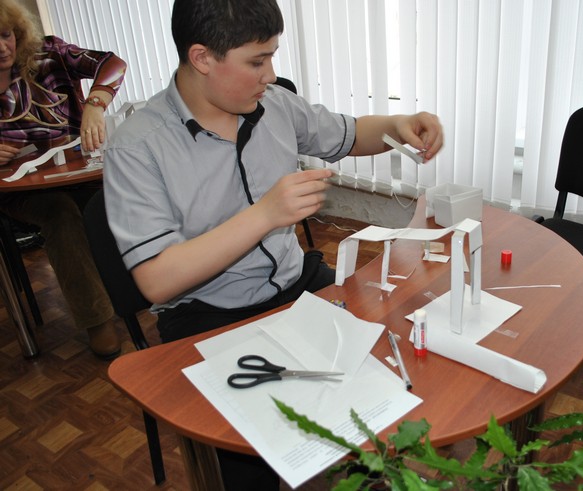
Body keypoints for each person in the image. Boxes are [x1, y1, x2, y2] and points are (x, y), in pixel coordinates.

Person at [104, 0, 443, 487]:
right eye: (257, 61)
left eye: (272, 56)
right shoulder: (136, 146)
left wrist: (398, 125)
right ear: (202, 58)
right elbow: (157, 280)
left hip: (296, 284)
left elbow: (351, 134)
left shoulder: (275, 104)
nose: (270, 75)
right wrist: (264, 215)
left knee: (376, 403)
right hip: (207, 313)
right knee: (245, 461)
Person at [0, 0, 127, 359]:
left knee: (122, 196)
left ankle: (152, 288)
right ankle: (97, 319)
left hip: (77, 173)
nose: (2, 47)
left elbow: (112, 64)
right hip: (19, 191)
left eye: (5, 35)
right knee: (60, 212)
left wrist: (96, 104)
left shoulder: (50, 54)